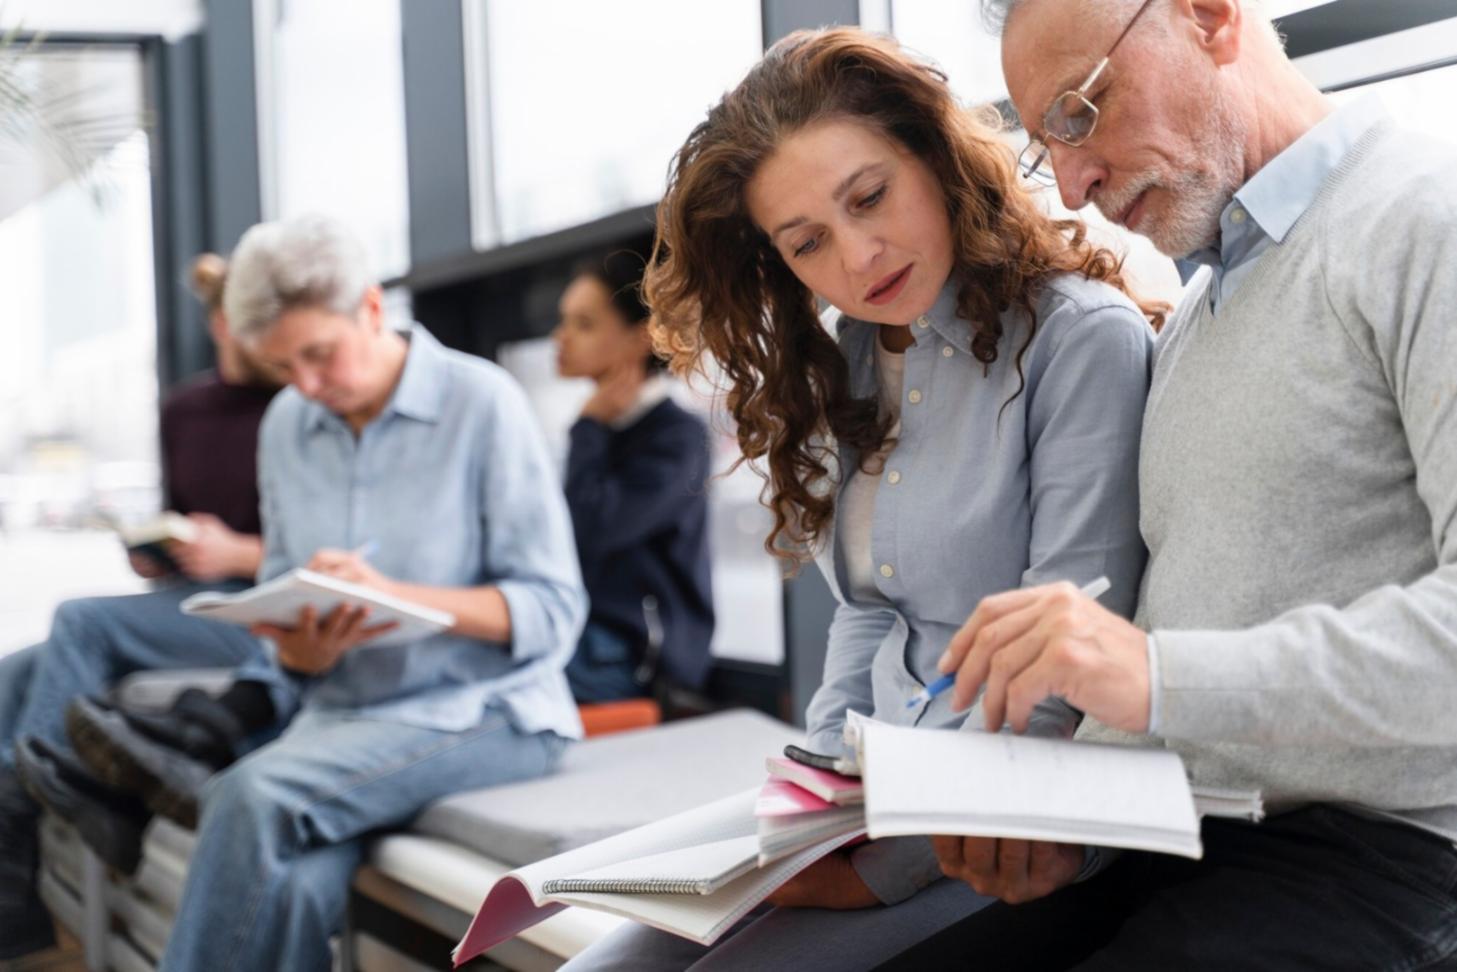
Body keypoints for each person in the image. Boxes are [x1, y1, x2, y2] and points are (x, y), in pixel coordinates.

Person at [562, 27, 1158, 971]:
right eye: (807, 243)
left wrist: (886, 865)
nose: (858, 255)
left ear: (931, 156)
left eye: (869, 197)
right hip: (874, 802)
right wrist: (811, 801)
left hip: (1005, 833)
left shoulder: (1080, 341)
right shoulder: (853, 351)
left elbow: (1065, 671)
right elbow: (871, 618)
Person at [891, 1, 1457, 968]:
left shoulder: (1422, 222)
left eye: (1076, 113)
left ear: (1207, 16)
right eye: (1045, 149)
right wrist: (1075, 827)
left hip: (1380, 855)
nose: (1072, 185)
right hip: (1187, 834)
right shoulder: (1195, 318)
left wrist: (1154, 678)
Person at [66, 214, 587, 972]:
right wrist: (300, 652)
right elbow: (284, 594)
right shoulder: (287, 423)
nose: (306, 385)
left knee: (247, 797)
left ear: (371, 310)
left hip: (490, 711)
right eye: (284, 367)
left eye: (318, 354)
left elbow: (552, 609)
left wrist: (397, 594)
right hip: (340, 718)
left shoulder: (483, 403)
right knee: (288, 890)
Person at [0, 254, 279, 959]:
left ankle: (16, 821)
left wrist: (241, 553)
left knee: (79, 620)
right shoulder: (183, 410)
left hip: (258, 602)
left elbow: (325, 550)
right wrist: (156, 551)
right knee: (15, 671)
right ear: (220, 323)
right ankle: (14, 869)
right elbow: (182, 517)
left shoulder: (300, 405)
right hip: (188, 597)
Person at [553, 250, 715, 702]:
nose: (560, 337)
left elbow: (588, 531)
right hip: (583, 637)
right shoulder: (603, 429)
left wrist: (587, 428)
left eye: (583, 324)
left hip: (635, 657)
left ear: (641, 337)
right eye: (563, 321)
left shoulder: (677, 436)